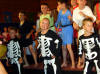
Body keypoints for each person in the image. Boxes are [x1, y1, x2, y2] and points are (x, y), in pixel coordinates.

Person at [55, 1, 75, 68]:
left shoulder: (68, 12)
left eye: (59, 4)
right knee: (63, 47)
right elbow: (58, 21)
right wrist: (56, 29)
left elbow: (72, 21)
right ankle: (64, 62)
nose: (58, 6)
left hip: (68, 29)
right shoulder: (60, 12)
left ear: (63, 4)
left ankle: (73, 63)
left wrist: (71, 19)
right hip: (62, 29)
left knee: (69, 47)